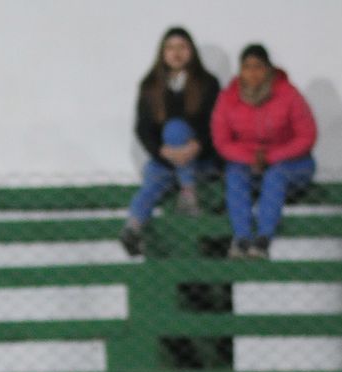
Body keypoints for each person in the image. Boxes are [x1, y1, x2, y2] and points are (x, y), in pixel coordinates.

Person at [119, 27, 221, 258]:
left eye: (182, 47)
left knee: (176, 128)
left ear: (192, 51)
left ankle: (188, 188)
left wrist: (196, 146)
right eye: (170, 47)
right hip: (167, 160)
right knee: (152, 181)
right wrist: (163, 151)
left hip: (200, 162)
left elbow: (216, 124)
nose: (176, 53)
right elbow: (143, 128)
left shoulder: (208, 83)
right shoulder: (150, 85)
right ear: (162, 52)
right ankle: (132, 228)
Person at [211, 44, 317, 259]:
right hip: (247, 163)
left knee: (275, 176)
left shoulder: (288, 94)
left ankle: (263, 239)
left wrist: (271, 157)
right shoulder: (228, 97)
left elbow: (307, 136)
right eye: (247, 67)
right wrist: (250, 158)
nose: (253, 72)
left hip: (290, 162)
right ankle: (241, 239)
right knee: (234, 176)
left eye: (258, 66)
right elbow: (222, 141)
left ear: (268, 68)